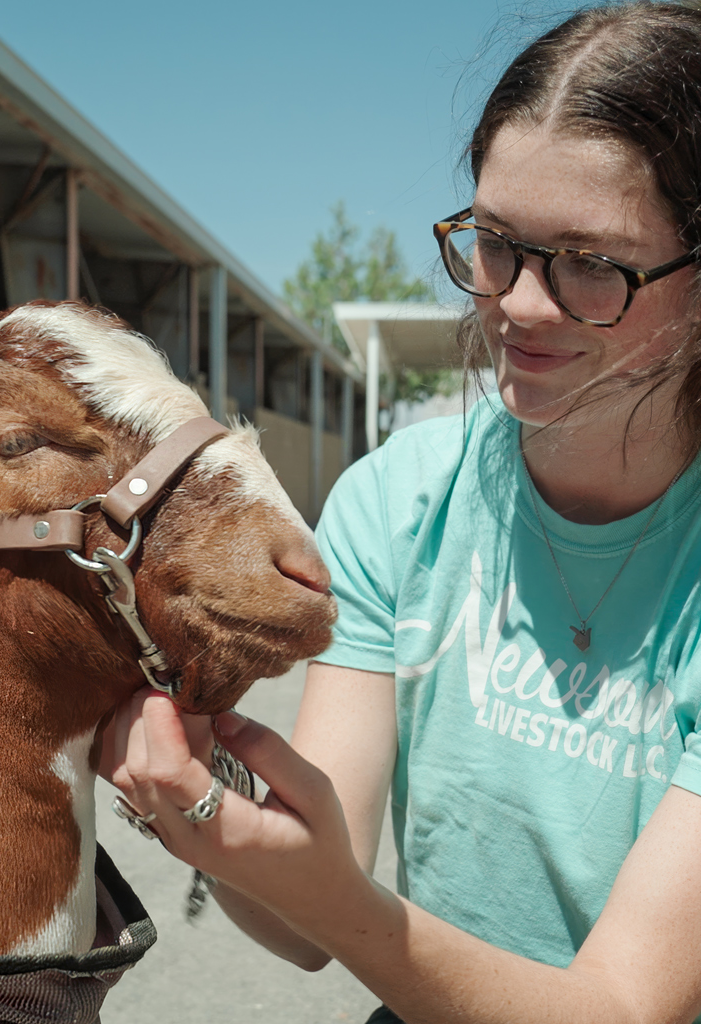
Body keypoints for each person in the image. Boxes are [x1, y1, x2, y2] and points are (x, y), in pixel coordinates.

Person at [106, 4, 701, 1022]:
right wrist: (197, 779)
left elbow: (625, 1004)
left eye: (592, 262)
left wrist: (339, 898)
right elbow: (301, 930)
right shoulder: (401, 499)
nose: (516, 303)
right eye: (497, 243)